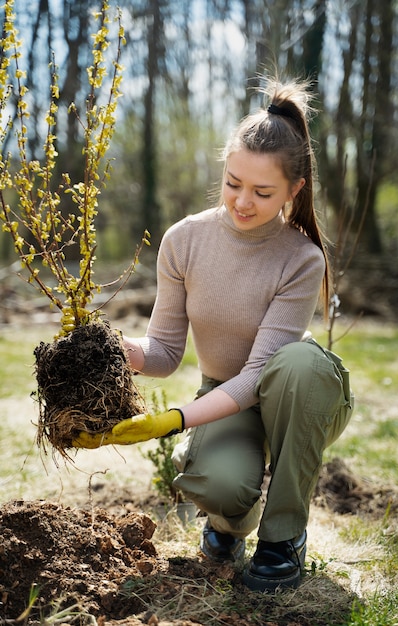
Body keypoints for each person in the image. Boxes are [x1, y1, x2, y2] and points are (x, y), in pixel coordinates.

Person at [74, 77, 354, 592]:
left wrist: (172, 420)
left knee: (298, 363)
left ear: (294, 189)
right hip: (225, 395)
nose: (242, 202)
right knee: (217, 485)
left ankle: (283, 538)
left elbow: (257, 376)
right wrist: (107, 350)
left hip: (302, 395)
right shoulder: (184, 241)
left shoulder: (301, 259)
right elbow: (162, 353)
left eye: (262, 192)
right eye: (232, 183)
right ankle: (230, 520)